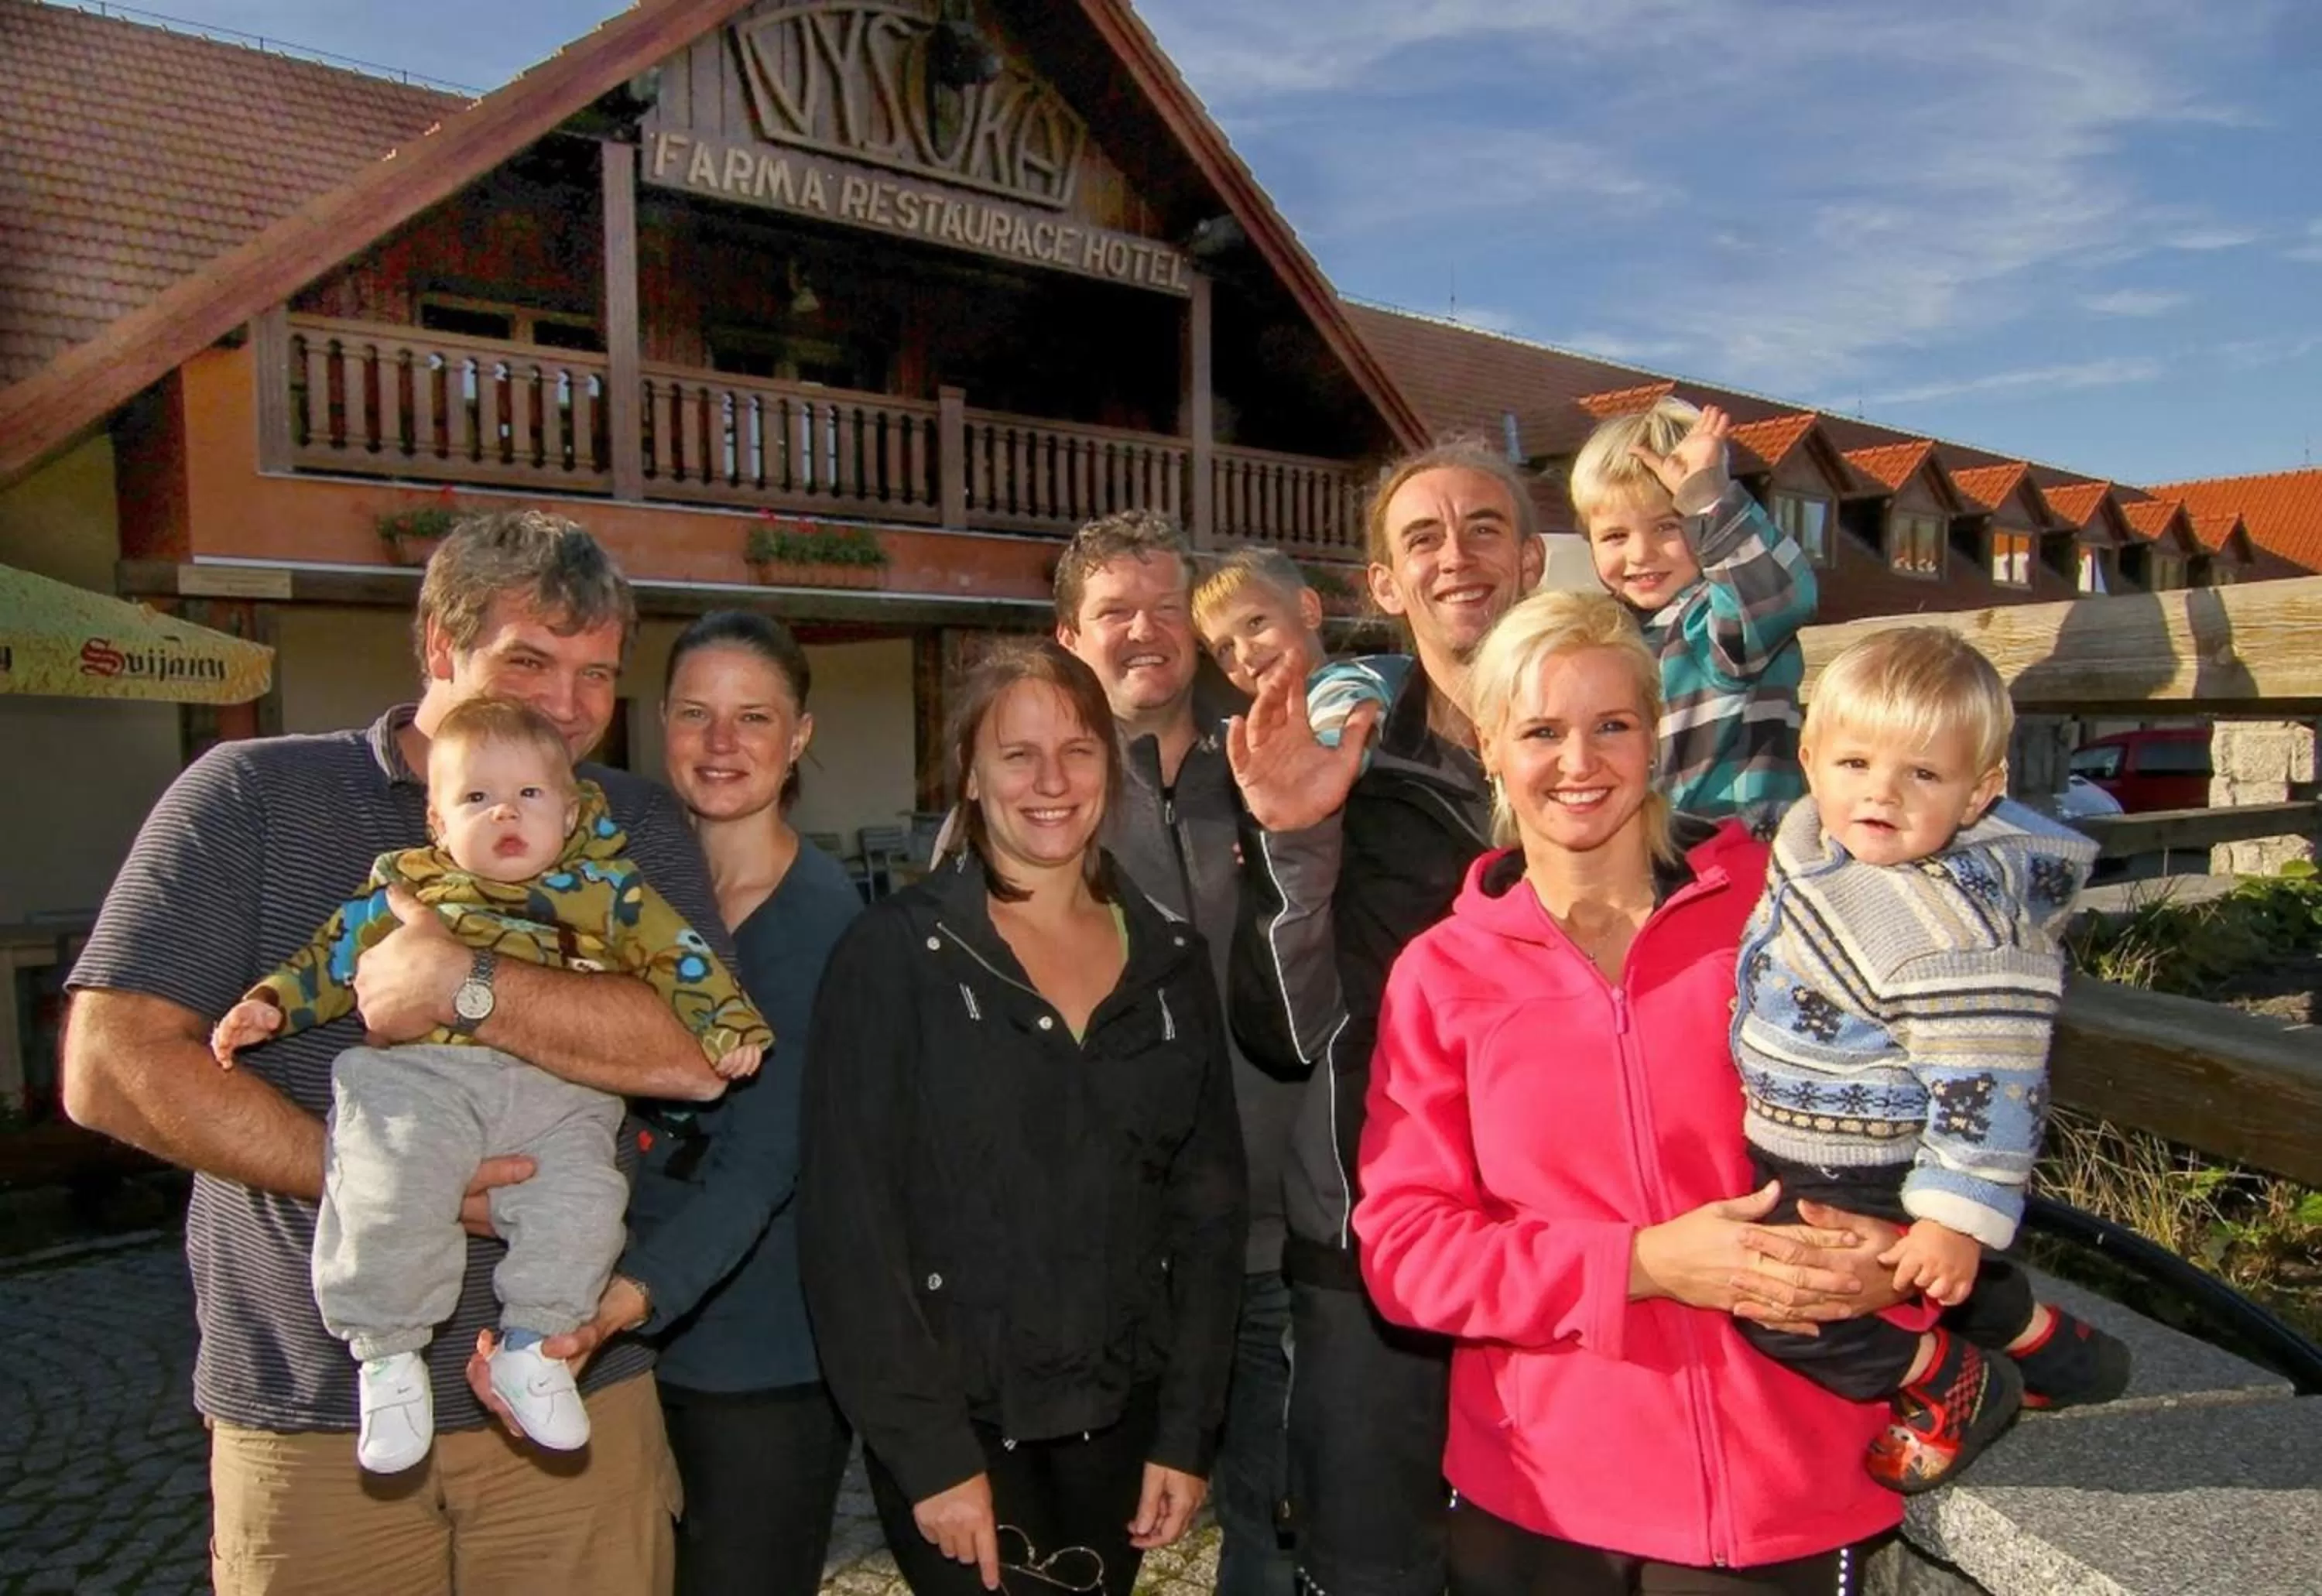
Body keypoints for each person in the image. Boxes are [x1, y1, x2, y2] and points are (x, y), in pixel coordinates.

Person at [63, 510, 724, 1596]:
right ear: (438, 647)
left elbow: (696, 1055)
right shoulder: (252, 795)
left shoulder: (631, 822)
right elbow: (111, 1064)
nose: (566, 705)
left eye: (599, 675)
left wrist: (468, 985)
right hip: (313, 1412)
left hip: (575, 1392)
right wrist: (387, 1176)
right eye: (530, 660)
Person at [1355, 588, 1909, 1596]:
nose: (1580, 761)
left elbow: (1941, 1117)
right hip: (1543, 1496)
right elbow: (1406, 1251)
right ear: (1488, 744)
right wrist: (1641, 1264)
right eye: (1541, 731)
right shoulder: (1441, 975)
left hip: (1781, 1485)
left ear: (1656, 735)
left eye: (1612, 724)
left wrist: (1902, 1261)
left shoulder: (1788, 916)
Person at [209, 696, 769, 1474]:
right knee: (388, 1187)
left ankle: (532, 1346)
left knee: (586, 1203)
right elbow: (330, 961)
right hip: (422, 1078)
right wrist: (269, 1004)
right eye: (477, 797)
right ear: (438, 823)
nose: (505, 811)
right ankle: (389, 1357)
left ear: (567, 814)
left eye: (529, 794)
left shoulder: (610, 892)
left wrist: (728, 1027)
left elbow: (682, 957)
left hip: (557, 1091)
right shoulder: (409, 890)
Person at [799, 639, 1246, 1596]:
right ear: (971, 773)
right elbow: (850, 1232)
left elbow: (1210, 1219)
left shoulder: (1169, 962)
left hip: (1123, 1423)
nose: (1051, 781)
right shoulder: (895, 958)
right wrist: (928, 1455)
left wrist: (1186, 1431)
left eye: (1078, 750)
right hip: (963, 1432)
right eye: (1018, 754)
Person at [1224, 439, 1539, 1596]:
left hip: (1561, 1241)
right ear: (1385, 584)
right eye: (1423, 538)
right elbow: (1281, 1025)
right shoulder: (1339, 756)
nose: (1457, 557)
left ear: (1532, 560)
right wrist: (1295, 835)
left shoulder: (1597, 746)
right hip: (1372, 1244)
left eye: (1484, 528)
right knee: (1371, 1567)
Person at [1733, 626, 2128, 1493]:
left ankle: (1951, 1380)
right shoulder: (1820, 846)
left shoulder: (1951, 937)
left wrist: (1954, 1219)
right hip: (1804, 1132)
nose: (1881, 792)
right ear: (1810, 762)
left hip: (1866, 1160)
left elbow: (1993, 1090)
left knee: (1781, 1302)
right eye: (1856, 763)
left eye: (1923, 774)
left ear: (1979, 793)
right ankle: (2053, 1348)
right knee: (1933, 1276)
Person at [1053, 512, 1305, 1596]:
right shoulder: (1034, 790)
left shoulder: (1272, 761)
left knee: (1275, 1536)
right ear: (1070, 637)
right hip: (1102, 1260)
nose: (1145, 631)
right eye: (1116, 611)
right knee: (1079, 1544)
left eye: (1166, 607)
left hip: (1273, 1243)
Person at [1570, 399, 1817, 823]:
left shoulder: (1715, 620)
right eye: (1614, 536)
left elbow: (1779, 593)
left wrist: (1705, 496)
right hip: (1651, 845)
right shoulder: (1609, 636)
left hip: (1737, 839)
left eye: (1667, 526)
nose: (1640, 553)